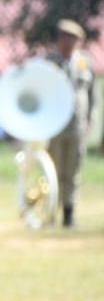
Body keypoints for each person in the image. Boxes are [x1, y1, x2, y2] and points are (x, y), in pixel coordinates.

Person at [45, 18, 95, 228]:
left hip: (77, 126)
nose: (68, 42)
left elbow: (92, 95)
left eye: (73, 38)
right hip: (55, 125)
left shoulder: (84, 61)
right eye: (64, 38)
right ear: (58, 40)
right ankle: (50, 214)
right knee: (53, 171)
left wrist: (90, 121)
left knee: (72, 172)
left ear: (79, 41)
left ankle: (69, 214)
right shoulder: (49, 61)